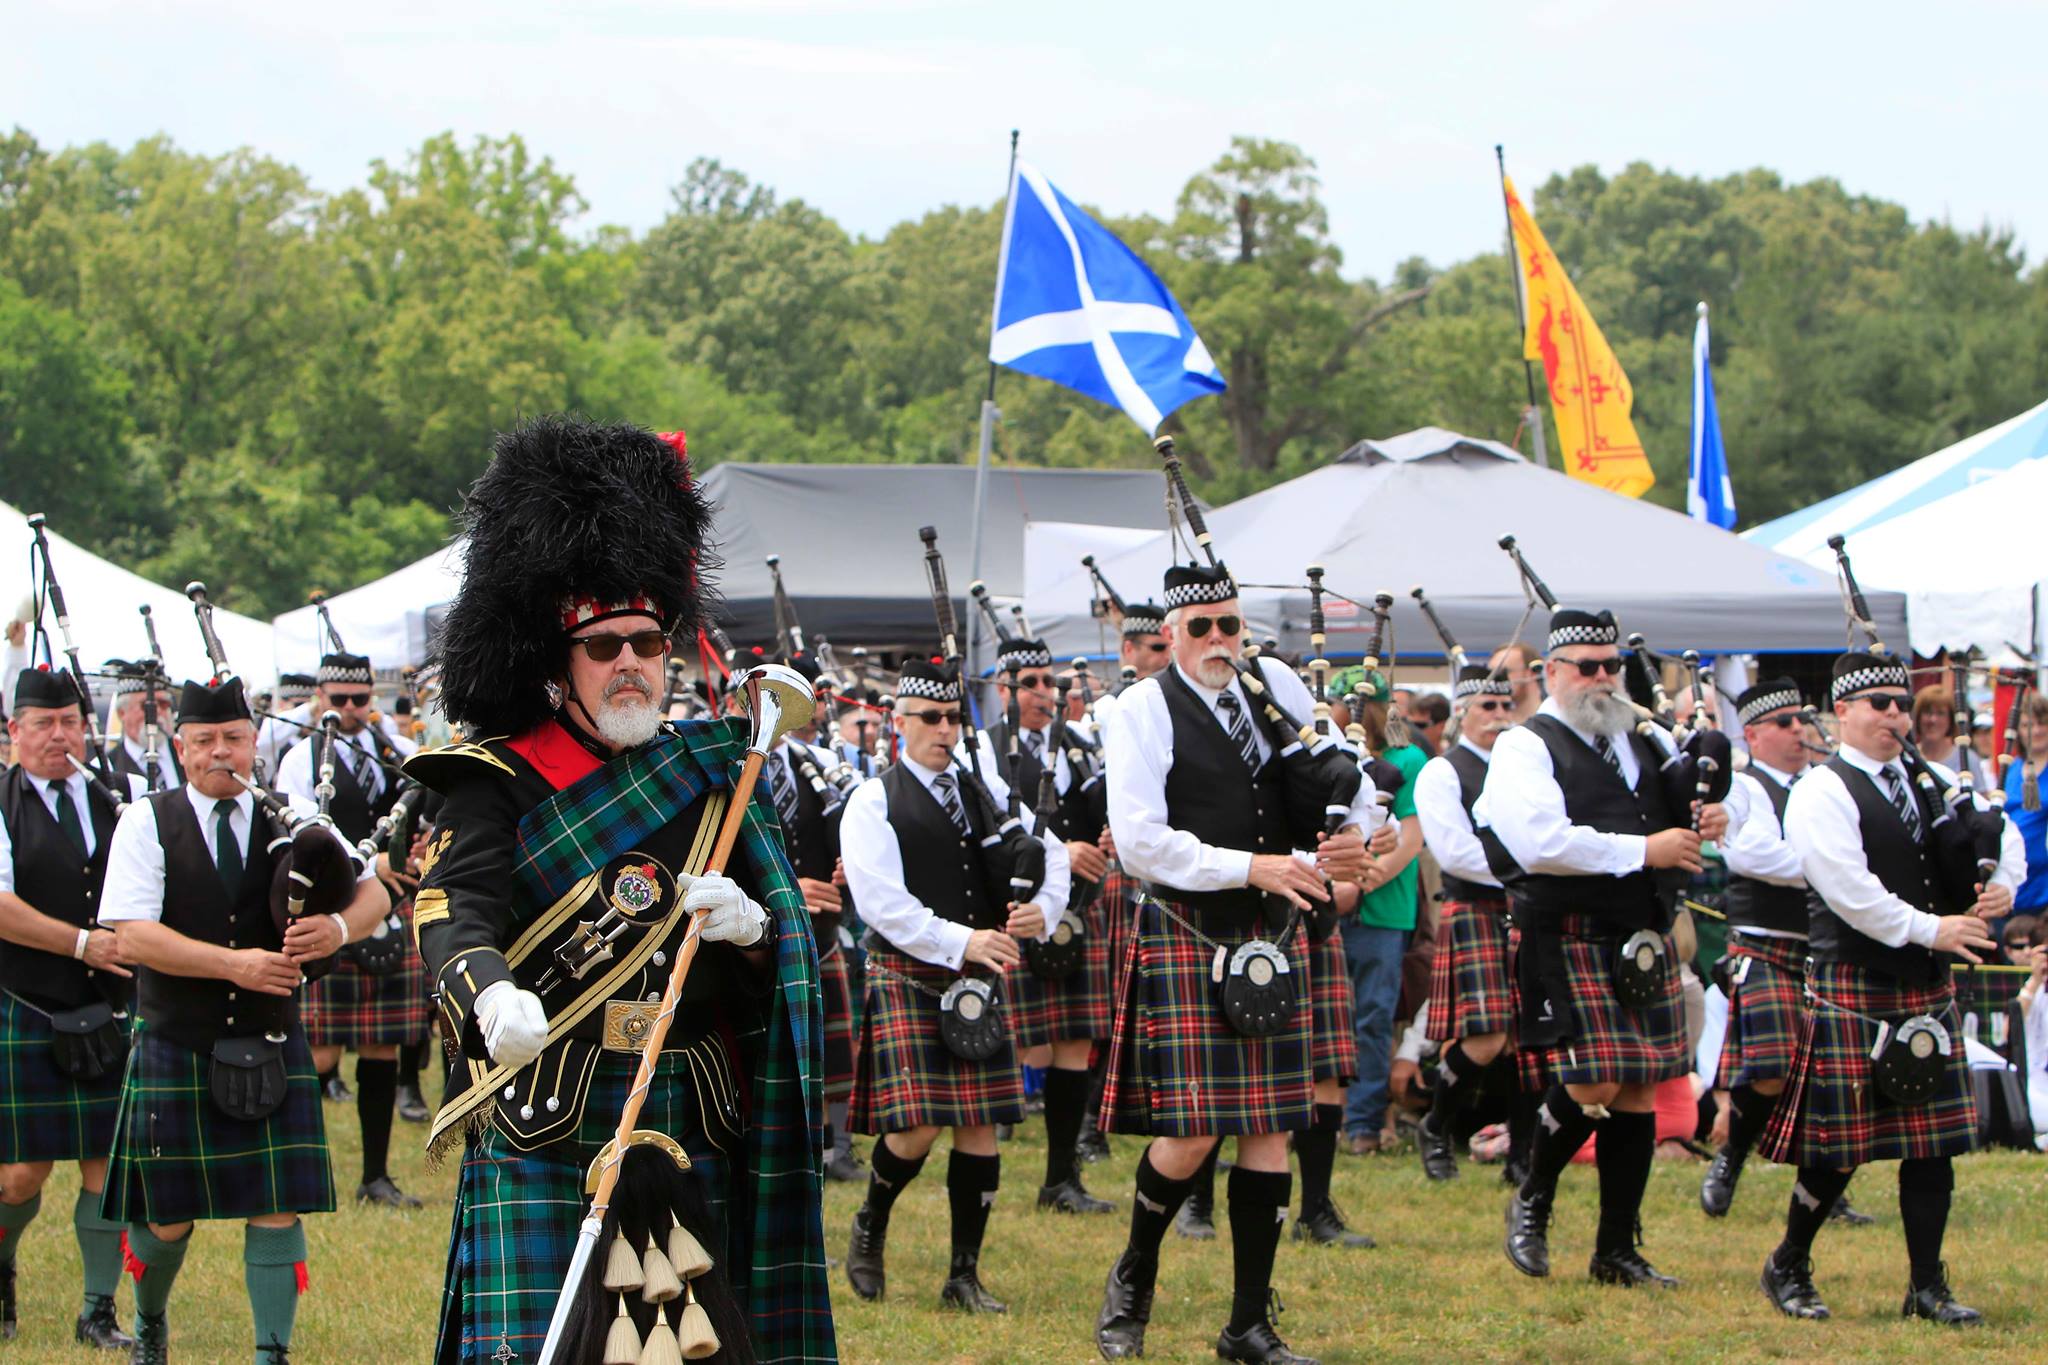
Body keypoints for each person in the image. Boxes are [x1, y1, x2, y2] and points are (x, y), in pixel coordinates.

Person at [408, 416, 832, 1364]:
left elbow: (790, 953)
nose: (631, 661)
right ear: (557, 663)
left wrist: (756, 928)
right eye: (605, 646)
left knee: (693, 1347)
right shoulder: (495, 778)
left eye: (648, 639)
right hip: (554, 1098)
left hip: (692, 1101)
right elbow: (450, 906)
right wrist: (489, 995)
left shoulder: (712, 773)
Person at [1093, 562, 1377, 1365]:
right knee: (1190, 1136)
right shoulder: (1141, 709)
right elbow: (1142, 840)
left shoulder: (1277, 687)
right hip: (1195, 927)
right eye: (1201, 628)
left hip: (1278, 934)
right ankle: (1134, 1274)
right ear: (1171, 635)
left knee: (1272, 1132)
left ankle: (1248, 1325)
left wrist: (1354, 831)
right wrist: (1250, 866)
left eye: (1230, 625)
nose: (1219, 641)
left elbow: (1339, 779)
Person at [98, 674, 391, 1364]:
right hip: (177, 1039)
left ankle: (272, 1352)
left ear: (254, 741)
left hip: (269, 1038)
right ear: (180, 746)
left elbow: (376, 888)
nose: (219, 753)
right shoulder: (148, 819)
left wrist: (339, 929)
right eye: (203, 741)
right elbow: (131, 935)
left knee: (276, 1204)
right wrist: (235, 965)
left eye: (233, 737)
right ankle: (150, 1322)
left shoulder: (292, 816)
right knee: (166, 1218)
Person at [1754, 650, 2022, 1325]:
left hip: (1923, 986)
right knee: (1838, 1149)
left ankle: (1926, 1287)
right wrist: (1933, 928)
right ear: (1841, 711)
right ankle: (1788, 1261)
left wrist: (2000, 887)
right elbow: (1849, 890)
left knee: (1932, 1145)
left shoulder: (1933, 780)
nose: (1894, 714)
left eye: (1901, 702)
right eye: (1878, 703)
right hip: (1858, 980)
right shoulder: (1824, 789)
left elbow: (2003, 832)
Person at [1478, 606, 1726, 1290]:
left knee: (1640, 1088)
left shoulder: (1639, 739)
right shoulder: (1526, 744)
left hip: (1639, 932)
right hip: (1570, 930)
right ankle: (1531, 1195)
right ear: (1551, 672)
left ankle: (1616, 1248)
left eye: (1610, 665)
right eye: (1585, 666)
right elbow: (1539, 842)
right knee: (1593, 1079)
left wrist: (1709, 820)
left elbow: (1675, 820)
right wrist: (1644, 849)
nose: (1601, 677)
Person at [839, 658, 1070, 1312]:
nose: (943, 730)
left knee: (979, 1127)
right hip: (912, 973)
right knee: (915, 1129)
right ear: (899, 723)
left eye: (952, 718)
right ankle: (870, 1221)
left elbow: (1050, 849)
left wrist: (1041, 911)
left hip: (979, 974)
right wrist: (962, 939)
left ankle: (962, 1275)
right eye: (930, 718)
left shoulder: (983, 791)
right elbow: (881, 905)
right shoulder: (873, 799)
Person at [0, 669, 145, 1351]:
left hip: (106, 1006)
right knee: (19, 1173)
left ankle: (97, 1309)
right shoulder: (0, 803)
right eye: (43, 723)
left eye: (69, 722)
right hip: (25, 1000)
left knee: (103, 1162)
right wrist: (83, 943)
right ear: (14, 732)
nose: (59, 736)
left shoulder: (113, 797)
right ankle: (2, 1268)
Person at [971, 636, 1116, 1216]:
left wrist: (1110, 837)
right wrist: (1066, 847)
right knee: (1011, 1039)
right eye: (1029, 683)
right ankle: (982, 1157)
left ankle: (1062, 1177)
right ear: (1003, 688)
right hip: (1016, 909)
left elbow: (1110, 807)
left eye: (1049, 683)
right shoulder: (983, 749)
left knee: (1075, 1043)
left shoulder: (1078, 745)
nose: (1042, 694)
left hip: (1077, 909)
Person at [275, 650, 424, 1209]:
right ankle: (300, 1172)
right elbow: (305, 831)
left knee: (381, 1046)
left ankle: (375, 1175)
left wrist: (412, 850)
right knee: (317, 1050)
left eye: (360, 699)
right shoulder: (298, 760)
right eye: (338, 700)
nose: (350, 709)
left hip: (391, 906)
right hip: (333, 906)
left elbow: (422, 809)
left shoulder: (396, 753)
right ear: (320, 699)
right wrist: (368, 866)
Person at [1700, 679, 1818, 1218]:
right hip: (1766, 944)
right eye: (1785, 722)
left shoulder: (1825, 784)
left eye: (1802, 719)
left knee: (1825, 1077)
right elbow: (1754, 857)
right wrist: (1839, 870)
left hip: (1825, 947)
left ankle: (1820, 1188)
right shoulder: (1742, 789)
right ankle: (1731, 1158)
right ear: (1753, 733)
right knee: (1770, 1070)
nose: (1800, 730)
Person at [1412, 666, 1518, 1181]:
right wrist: (1529, 867)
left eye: (1505, 707)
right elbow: (1455, 853)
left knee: (1530, 1039)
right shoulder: (1443, 772)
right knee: (1485, 1039)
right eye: (1486, 707)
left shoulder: (1525, 771)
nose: (1498, 717)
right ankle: (1435, 1125)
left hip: (1527, 910)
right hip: (1476, 908)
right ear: (1462, 713)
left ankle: (1522, 1155)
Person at [762, 682, 865, 1183]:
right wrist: (786, 890)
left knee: (829, 1043)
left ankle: (831, 1150)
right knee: (779, 1047)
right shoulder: (732, 764)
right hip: (759, 935)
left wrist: (853, 865)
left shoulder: (821, 763)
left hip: (821, 927)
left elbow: (852, 829)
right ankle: (795, 1151)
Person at [1342, 671, 1428, 1156]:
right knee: (1328, 1014)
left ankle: (1363, 1123)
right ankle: (1322, 1114)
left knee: (1372, 1017)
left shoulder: (1408, 759)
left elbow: (1412, 836)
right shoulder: (1340, 754)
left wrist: (1366, 876)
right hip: (1334, 903)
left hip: (1383, 907)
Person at [1999, 692, 2048, 920]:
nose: (2035, 731)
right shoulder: (2009, 769)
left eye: (2042, 723)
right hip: (2014, 880)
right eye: (2028, 724)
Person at [106, 669, 182, 791]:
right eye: (146, 705)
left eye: (163, 704)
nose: (156, 712)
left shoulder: (186, 753)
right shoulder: (107, 766)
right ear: (122, 713)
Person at [1912, 686, 1987, 788]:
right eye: (1928, 712)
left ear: (1951, 720)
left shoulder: (1967, 759)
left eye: (1940, 713)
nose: (1933, 720)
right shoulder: (1909, 757)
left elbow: (1981, 799)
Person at [1487, 642, 1544, 723]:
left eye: (1503, 672)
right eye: (1490, 673)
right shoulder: (1493, 728)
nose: (1494, 680)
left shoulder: (1554, 722)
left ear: (1532, 673)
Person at [1403, 692, 1451, 760]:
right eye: (1408, 724)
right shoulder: (1406, 757)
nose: (1412, 730)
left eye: (1419, 726)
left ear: (1441, 727)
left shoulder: (1453, 760)